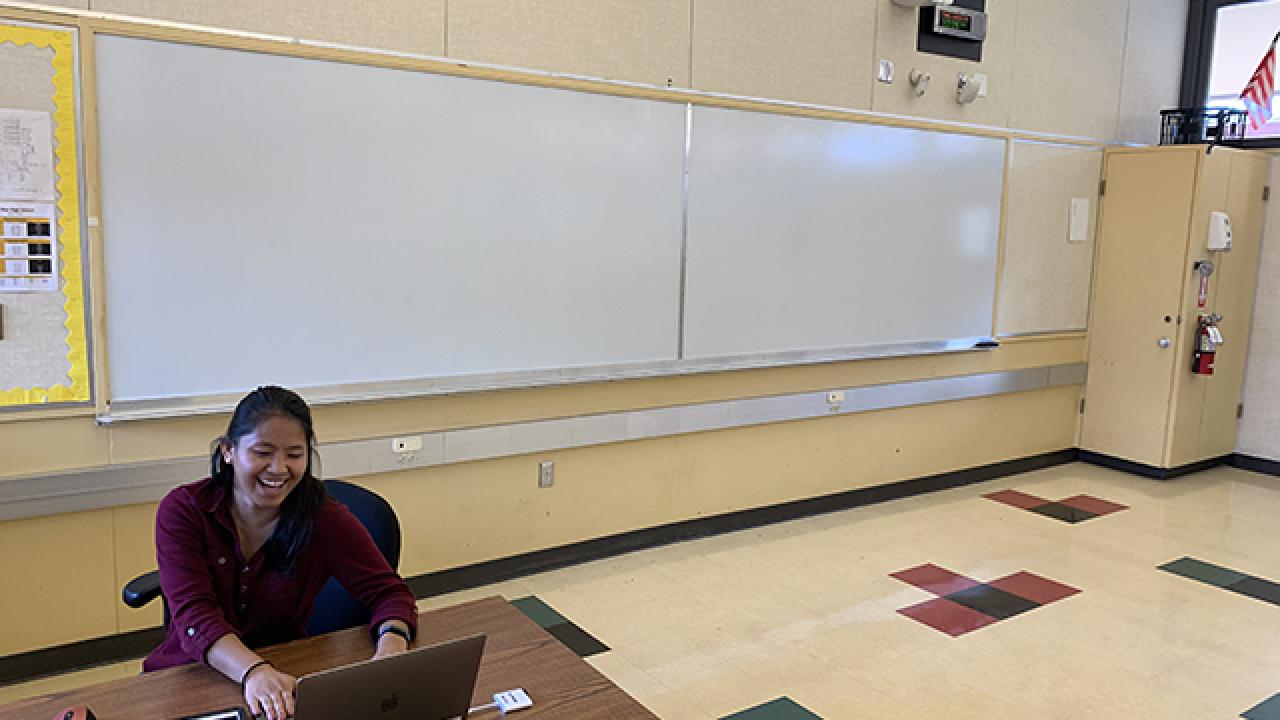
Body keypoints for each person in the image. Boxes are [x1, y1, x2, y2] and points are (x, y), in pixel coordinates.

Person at [143, 386, 419, 720]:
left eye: (294, 454)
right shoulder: (184, 511)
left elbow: (389, 592)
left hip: (285, 676)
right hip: (191, 674)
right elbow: (193, 617)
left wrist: (392, 649)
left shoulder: (324, 518)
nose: (279, 468)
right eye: (262, 452)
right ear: (228, 451)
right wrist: (254, 672)